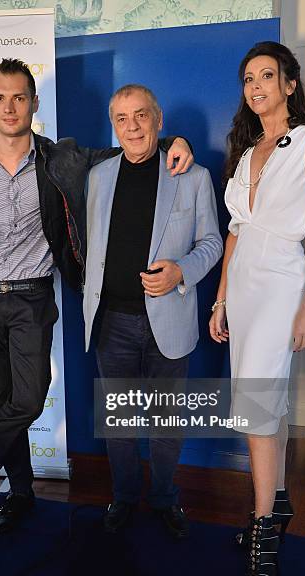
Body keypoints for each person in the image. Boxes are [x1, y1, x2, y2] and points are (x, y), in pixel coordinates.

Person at [0, 59, 193, 536]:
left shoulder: (60, 157)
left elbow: (127, 147)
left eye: (20, 97)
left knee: (27, 400)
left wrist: (174, 141)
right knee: (3, 402)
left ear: (33, 103)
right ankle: (21, 492)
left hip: (32, 298)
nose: (10, 107)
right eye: (1, 97)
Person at [209, 41, 305, 576]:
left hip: (285, 279)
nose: (256, 85)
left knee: (259, 405)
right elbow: (237, 232)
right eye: (248, 78)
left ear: (289, 84)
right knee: (262, 399)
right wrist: (219, 300)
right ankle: (276, 503)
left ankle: (262, 528)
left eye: (267, 75)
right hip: (242, 288)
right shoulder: (246, 150)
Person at [84, 84, 222, 537]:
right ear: (114, 126)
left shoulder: (193, 175)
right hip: (113, 324)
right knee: (120, 423)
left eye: (141, 116)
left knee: (166, 422)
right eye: (122, 119)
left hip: (169, 321)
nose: (132, 126)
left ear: (159, 121)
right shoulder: (98, 176)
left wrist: (181, 271)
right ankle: (124, 497)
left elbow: (213, 244)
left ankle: (164, 498)